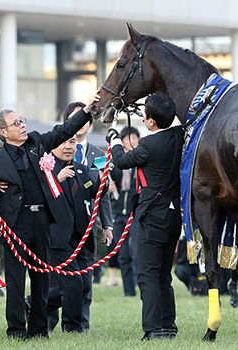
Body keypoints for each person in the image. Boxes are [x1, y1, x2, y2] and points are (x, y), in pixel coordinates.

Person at [0, 95, 98, 339]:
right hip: (14, 225)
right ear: (3, 132)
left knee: (42, 278)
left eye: (22, 120)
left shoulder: (37, 142)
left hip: (42, 220)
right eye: (16, 123)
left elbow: (65, 129)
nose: (22, 125)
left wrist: (87, 109)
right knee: (16, 279)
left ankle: (39, 330)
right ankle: (16, 330)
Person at [106, 93, 183, 340]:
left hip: (152, 217)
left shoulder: (149, 145)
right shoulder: (180, 136)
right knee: (163, 274)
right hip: (173, 216)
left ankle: (153, 328)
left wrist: (114, 138)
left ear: (150, 122)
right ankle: (168, 325)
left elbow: (121, 160)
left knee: (147, 274)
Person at [43, 135, 110, 333]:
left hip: (81, 237)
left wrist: (101, 180)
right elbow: (40, 198)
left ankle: (33, 303)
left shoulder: (81, 169)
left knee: (84, 285)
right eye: (63, 142)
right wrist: (57, 179)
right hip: (57, 238)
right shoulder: (46, 169)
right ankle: (72, 328)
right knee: (72, 283)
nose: (67, 146)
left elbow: (93, 192)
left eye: (72, 142)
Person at [62, 102, 113, 331]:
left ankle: (82, 325)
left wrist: (108, 225)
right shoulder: (55, 151)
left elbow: (103, 194)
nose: (80, 124)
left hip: (88, 225)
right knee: (60, 279)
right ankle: (50, 320)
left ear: (90, 125)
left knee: (85, 277)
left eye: (84, 120)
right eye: (75, 119)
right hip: (61, 223)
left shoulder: (98, 154)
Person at [108, 126, 140, 297]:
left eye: (135, 138)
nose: (132, 141)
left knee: (137, 253)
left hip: (135, 214)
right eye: (128, 138)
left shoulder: (141, 160)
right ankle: (129, 292)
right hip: (119, 212)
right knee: (123, 254)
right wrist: (109, 187)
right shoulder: (117, 163)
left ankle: (141, 287)